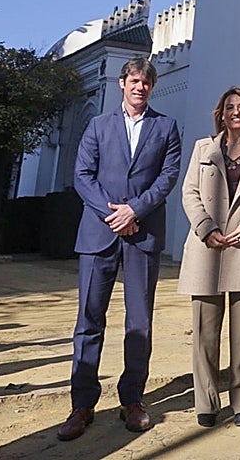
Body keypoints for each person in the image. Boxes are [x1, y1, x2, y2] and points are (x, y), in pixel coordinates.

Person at [58, 57, 182, 441]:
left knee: (139, 321)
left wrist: (136, 209)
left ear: (152, 86)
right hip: (99, 236)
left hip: (142, 235)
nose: (139, 87)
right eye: (133, 81)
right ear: (122, 84)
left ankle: (133, 399)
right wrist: (112, 214)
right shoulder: (98, 126)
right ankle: (82, 404)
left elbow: (168, 176)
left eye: (146, 82)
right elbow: (82, 175)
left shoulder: (166, 127)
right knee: (89, 321)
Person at [176, 87, 240, 427]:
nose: (236, 112)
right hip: (208, 248)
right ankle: (205, 400)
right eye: (230, 107)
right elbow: (189, 191)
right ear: (221, 113)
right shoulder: (203, 148)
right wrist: (205, 227)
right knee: (205, 331)